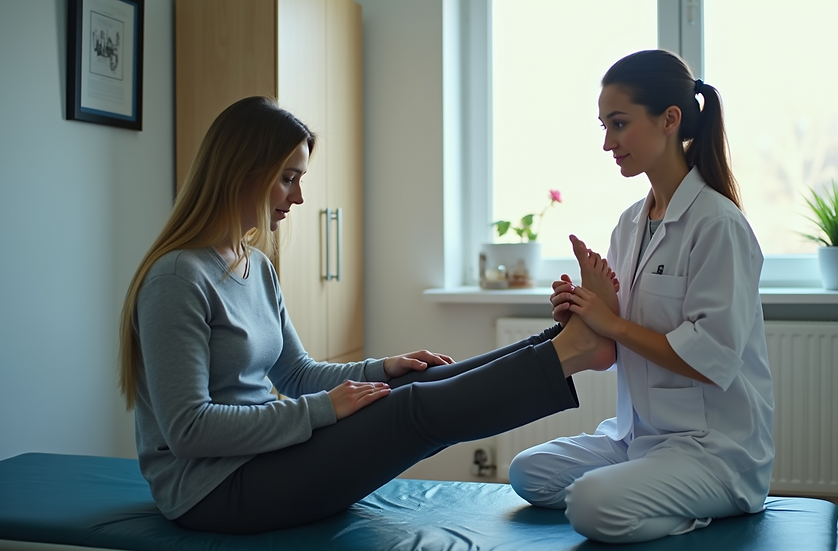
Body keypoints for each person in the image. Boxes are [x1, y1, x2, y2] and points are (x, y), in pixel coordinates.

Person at [117, 96, 616, 534]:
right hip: (211, 490)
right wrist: (324, 410)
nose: (299, 197)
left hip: (263, 459)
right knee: (411, 411)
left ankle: (564, 341)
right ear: (240, 172)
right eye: (287, 178)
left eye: (300, 179)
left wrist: (383, 369)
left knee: (424, 379)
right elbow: (188, 430)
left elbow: (295, 374)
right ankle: (570, 352)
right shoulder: (178, 278)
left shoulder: (255, 268)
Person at [508, 49, 775, 544]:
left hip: (713, 448)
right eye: (604, 126)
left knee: (589, 505)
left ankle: (702, 511)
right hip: (637, 437)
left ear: (670, 119)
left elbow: (710, 359)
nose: (608, 142)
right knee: (530, 473)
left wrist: (611, 323)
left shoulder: (718, 225)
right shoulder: (630, 225)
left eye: (619, 124)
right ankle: (642, 487)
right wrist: (583, 319)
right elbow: (610, 354)